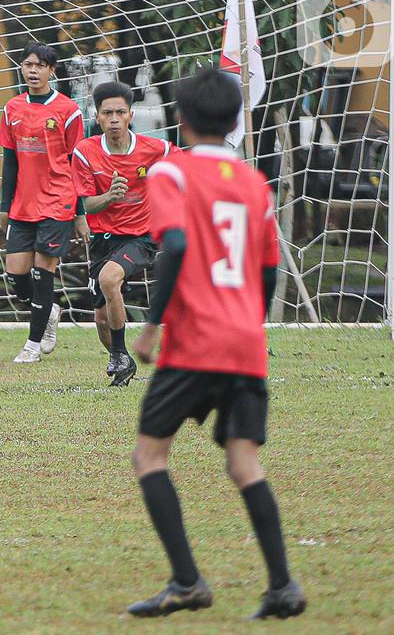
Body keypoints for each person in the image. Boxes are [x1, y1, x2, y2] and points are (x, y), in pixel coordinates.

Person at [126, 68, 305, 620]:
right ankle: (282, 587)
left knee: (150, 456)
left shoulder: (171, 175)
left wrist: (153, 324)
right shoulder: (255, 183)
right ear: (233, 122)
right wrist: (248, 322)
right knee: (244, 463)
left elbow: (175, 244)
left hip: (195, 341)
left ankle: (186, 582)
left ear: (181, 118)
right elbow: (269, 272)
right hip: (244, 340)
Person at [75, 81, 174, 386]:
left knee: (108, 279)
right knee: (102, 320)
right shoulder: (85, 152)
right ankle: (123, 360)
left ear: (130, 115)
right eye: (108, 113)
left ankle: (118, 354)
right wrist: (109, 196)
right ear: (98, 117)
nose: (114, 118)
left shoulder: (156, 149)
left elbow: (186, 168)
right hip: (104, 239)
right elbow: (88, 205)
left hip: (141, 237)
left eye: (120, 112)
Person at [0, 41, 88, 364]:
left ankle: (33, 345)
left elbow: (77, 164)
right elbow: (9, 162)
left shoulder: (68, 111)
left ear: (51, 70)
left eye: (39, 66)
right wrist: (5, 207)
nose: (33, 71)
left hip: (58, 201)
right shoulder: (12, 109)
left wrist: (79, 212)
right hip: (23, 203)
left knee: (42, 271)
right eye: (28, 65)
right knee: (17, 275)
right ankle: (48, 309)